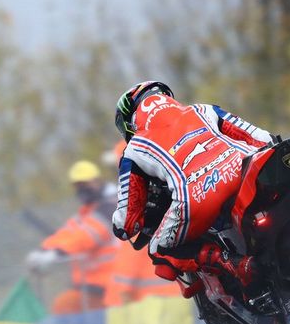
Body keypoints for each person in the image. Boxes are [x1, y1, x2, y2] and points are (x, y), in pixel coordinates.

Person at [112, 81, 273, 287]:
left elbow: (127, 221)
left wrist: (119, 228)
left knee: (159, 249)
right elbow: (262, 138)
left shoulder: (134, 149)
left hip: (195, 197)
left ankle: (232, 263)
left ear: (129, 123)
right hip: (243, 171)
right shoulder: (202, 109)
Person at [26, 160, 119, 314]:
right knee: (65, 305)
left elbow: (87, 236)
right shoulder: (87, 212)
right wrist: (42, 250)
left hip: (108, 286)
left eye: (85, 184)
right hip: (91, 286)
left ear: (96, 181)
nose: (82, 190)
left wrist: (57, 254)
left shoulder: (111, 207)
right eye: (77, 186)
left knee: (66, 306)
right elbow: (66, 233)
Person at [101, 140, 180, 306]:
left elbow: (130, 257)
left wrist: (123, 292)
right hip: (174, 296)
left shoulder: (137, 208)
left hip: (151, 303)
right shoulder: (171, 197)